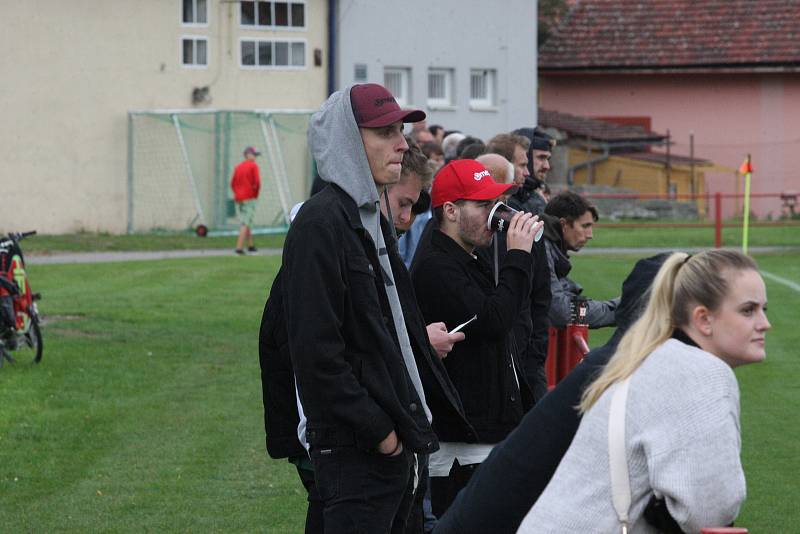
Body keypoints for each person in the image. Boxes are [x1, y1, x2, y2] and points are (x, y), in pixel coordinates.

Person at [281, 82, 443, 534]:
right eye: (385, 132)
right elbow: (315, 353)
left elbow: (388, 329)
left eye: (401, 130)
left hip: (392, 450)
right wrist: (380, 434)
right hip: (357, 454)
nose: (402, 144)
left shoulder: (370, 219)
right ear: (349, 142)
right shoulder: (321, 223)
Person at [517, 249, 770, 533]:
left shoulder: (654, 357)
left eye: (764, 309)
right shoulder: (700, 370)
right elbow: (711, 510)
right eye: (748, 310)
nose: (764, 324)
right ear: (703, 319)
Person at [433, 253, 669, 534]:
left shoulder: (609, 370)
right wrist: (519, 255)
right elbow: (517, 315)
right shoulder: (616, 376)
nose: (589, 235)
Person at [411, 159, 542, 518]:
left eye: (495, 204)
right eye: (483, 205)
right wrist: (518, 256)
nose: (494, 215)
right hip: (461, 443)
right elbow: (495, 321)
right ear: (450, 211)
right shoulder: (436, 266)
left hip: (483, 432)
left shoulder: (467, 258)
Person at [542, 190, 619, 328]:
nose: (590, 235)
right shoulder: (541, 251)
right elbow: (563, 312)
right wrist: (621, 309)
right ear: (563, 225)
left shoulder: (550, 249)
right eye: (585, 226)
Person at [510, 128, 554, 216]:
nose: (547, 166)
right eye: (541, 157)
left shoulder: (536, 196)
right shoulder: (507, 198)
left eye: (548, 159)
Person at [230, 146, 261, 255]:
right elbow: (257, 183)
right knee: (245, 222)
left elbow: (232, 183)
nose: (255, 157)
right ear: (247, 154)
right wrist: (255, 195)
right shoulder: (253, 166)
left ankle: (250, 246)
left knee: (247, 221)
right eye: (254, 154)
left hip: (239, 198)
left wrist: (237, 194)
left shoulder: (238, 167)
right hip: (249, 198)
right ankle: (238, 248)